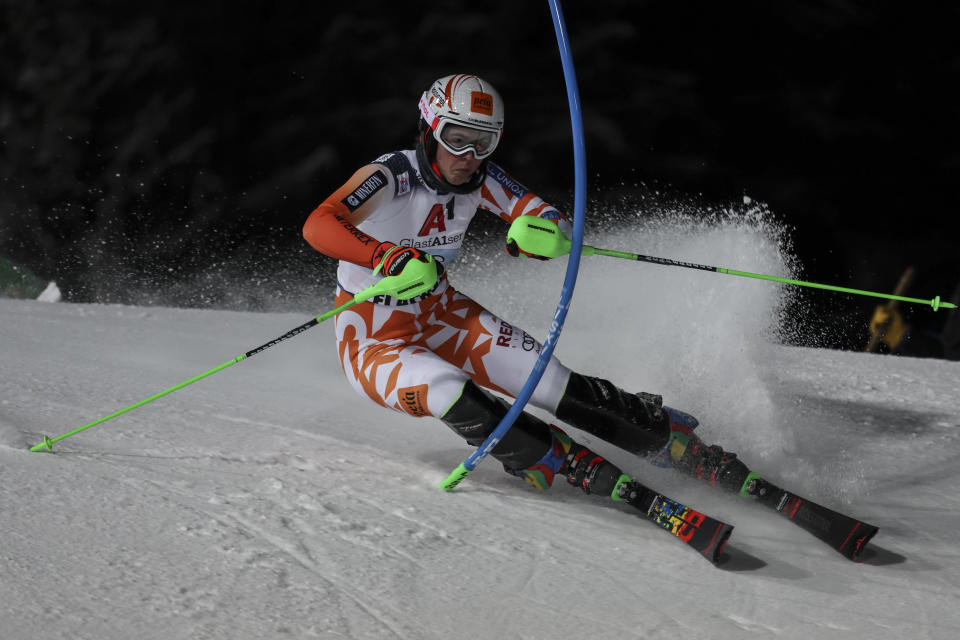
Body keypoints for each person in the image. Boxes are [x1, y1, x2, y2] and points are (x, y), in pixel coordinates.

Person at [302, 74, 747, 501]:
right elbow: (319, 222)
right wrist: (386, 256)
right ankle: (549, 456)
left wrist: (545, 233)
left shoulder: (483, 178)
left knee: (546, 379)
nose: (468, 155)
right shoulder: (391, 176)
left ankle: (663, 436)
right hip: (373, 340)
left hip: (442, 315)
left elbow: (545, 216)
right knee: (446, 388)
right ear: (429, 129)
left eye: (484, 142)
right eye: (457, 138)